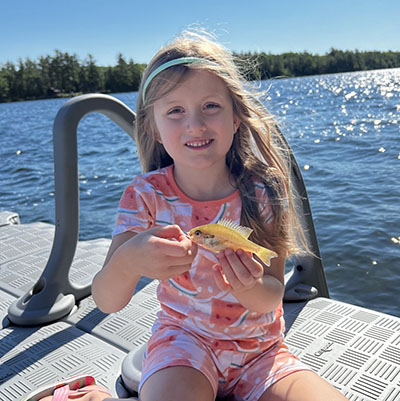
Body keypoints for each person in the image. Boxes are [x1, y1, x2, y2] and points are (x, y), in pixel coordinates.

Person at [90, 30, 349, 401]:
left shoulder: (263, 190)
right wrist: (128, 262)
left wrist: (249, 286)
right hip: (181, 344)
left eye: (211, 106)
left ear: (236, 117)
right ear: (153, 127)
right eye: (175, 111)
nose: (195, 125)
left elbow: (271, 296)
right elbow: (106, 300)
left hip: (262, 352)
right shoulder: (144, 195)